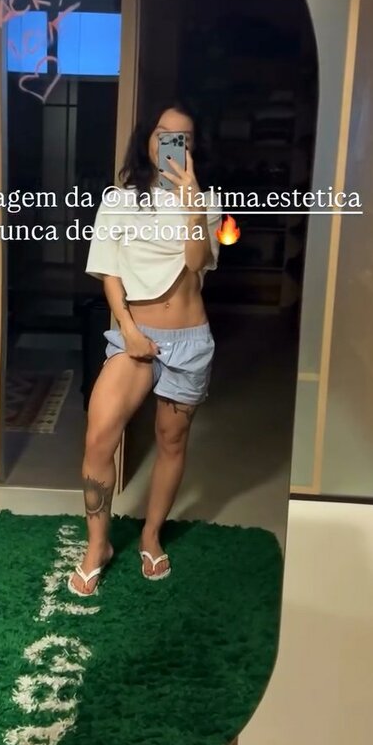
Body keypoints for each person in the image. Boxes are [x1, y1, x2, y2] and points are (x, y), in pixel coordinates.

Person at [68, 100, 222, 596]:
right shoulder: (118, 200)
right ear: (148, 140)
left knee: (171, 441)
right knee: (99, 435)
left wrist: (193, 202)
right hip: (135, 335)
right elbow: (109, 272)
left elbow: (197, 262)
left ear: (193, 148)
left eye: (183, 137)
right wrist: (129, 329)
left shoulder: (207, 200)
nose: (171, 143)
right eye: (162, 133)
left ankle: (151, 535)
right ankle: (98, 545)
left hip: (189, 340)